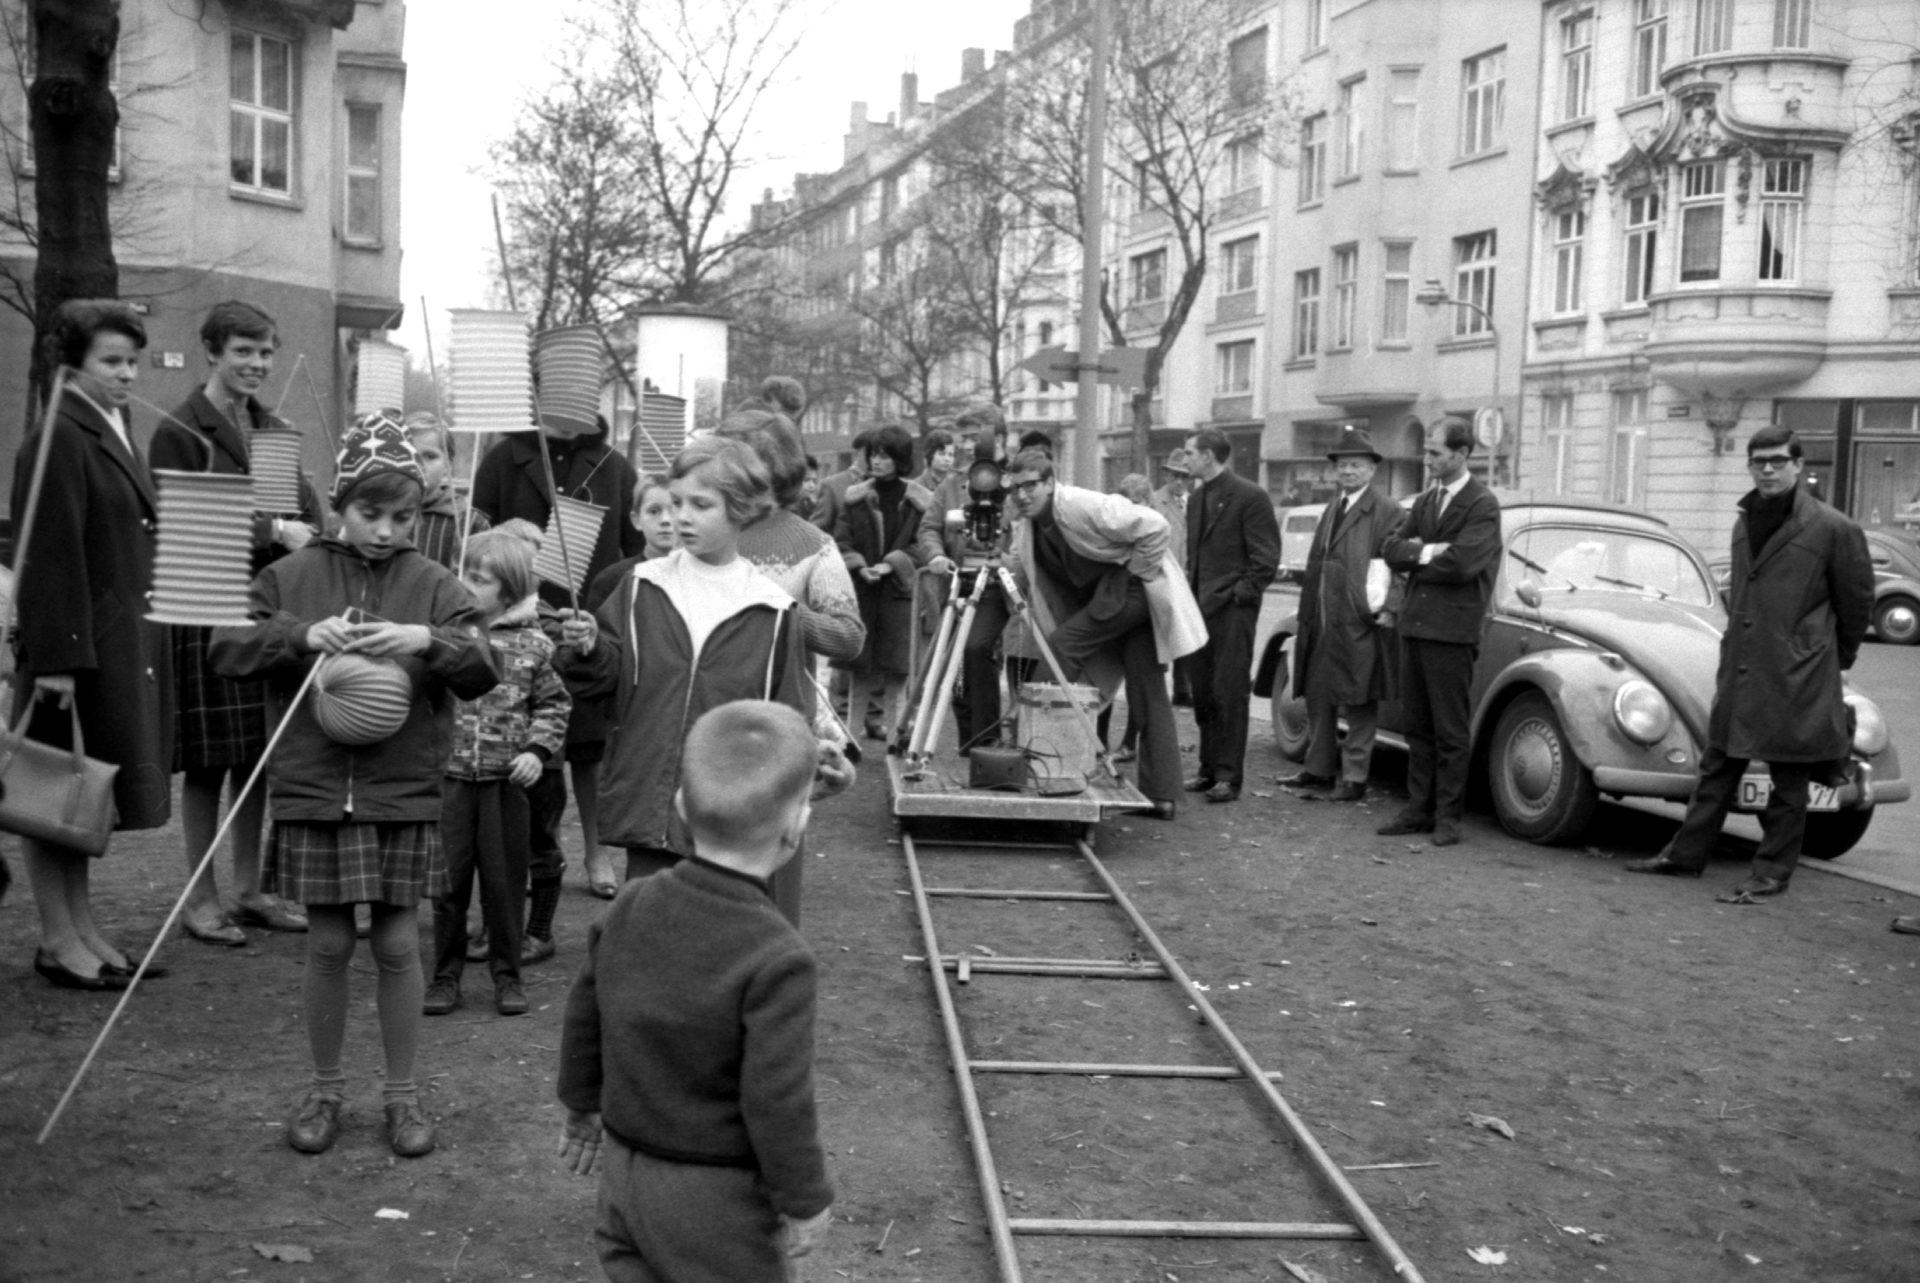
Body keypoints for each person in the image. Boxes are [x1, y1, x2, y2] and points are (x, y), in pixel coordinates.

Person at [210, 413, 498, 1157]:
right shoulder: (290, 575)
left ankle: (402, 1098)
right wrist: (300, 635)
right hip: (313, 784)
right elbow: (225, 645)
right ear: (339, 503)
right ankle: (326, 1089)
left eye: (403, 516)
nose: (385, 530)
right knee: (330, 943)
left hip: (399, 786)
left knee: (399, 942)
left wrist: (427, 641)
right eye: (370, 513)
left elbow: (483, 665)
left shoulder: (434, 581)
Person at [556, 700, 832, 1283]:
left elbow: (587, 1011)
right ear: (798, 826)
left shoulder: (631, 904)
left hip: (624, 1175)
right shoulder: (777, 957)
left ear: (680, 806)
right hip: (716, 1199)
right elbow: (776, 1097)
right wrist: (804, 1197)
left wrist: (581, 1104)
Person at [1626, 426, 1874, 902]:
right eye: (1758, 461)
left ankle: (1771, 873)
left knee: (1789, 777)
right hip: (1742, 664)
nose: (1767, 470)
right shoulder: (1745, 520)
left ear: (1799, 466)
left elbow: (1857, 604)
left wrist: (1832, 661)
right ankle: (1684, 856)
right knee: (1718, 763)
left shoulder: (1833, 528)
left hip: (1796, 671)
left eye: (1778, 461)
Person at [555, 437, 811, 893]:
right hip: (649, 789)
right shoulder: (641, 585)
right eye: (675, 502)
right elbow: (608, 676)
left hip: (730, 806)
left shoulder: (771, 609)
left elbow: (789, 718)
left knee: (717, 935)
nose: (681, 516)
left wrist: (778, 800)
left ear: (742, 509)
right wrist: (591, 647)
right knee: (644, 922)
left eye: (701, 504)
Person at [10, 299, 175, 990]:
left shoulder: (110, 424)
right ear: (71, 362)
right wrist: (57, 662)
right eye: (112, 360)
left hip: (109, 639)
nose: (128, 373)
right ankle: (56, 938)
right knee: (52, 793)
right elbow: (49, 554)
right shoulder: (58, 433)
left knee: (84, 790)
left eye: (133, 360)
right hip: (72, 651)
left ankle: (81, 928)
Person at [149, 299, 319, 948]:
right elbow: (180, 516)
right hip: (202, 604)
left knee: (256, 756)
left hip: (263, 605)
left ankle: (249, 890)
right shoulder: (178, 427)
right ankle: (200, 897)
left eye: (266, 351)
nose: (257, 363)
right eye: (244, 351)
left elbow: (299, 505)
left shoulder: (273, 427)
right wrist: (277, 528)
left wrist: (309, 523)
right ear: (212, 354)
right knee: (208, 763)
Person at [473, 412, 641, 925]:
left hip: (582, 620)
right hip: (513, 618)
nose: (567, 412)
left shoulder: (613, 464)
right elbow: (479, 532)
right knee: (522, 747)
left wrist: (603, 613)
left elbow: (633, 550)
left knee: (587, 748)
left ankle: (595, 849)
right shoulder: (505, 458)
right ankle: (521, 858)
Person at [1005, 448, 1207, 819]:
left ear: (1051, 483)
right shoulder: (1032, 522)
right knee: (1147, 690)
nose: (1022, 494)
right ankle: (1162, 796)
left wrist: (1133, 577)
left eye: (1031, 485)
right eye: (1016, 487)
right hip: (1124, 603)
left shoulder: (1082, 504)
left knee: (1061, 649)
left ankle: (1025, 758)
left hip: (1128, 593)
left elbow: (1156, 526)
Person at [425, 530, 570, 1016]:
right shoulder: (444, 635)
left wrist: (536, 750)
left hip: (505, 784)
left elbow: (554, 705)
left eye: (479, 578)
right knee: (447, 885)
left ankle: (508, 977)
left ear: (508, 590)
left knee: (505, 885)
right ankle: (445, 977)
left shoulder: (534, 645)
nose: (465, 585)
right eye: (462, 573)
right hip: (450, 780)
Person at [1376, 416, 1502, 847]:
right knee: (1417, 727)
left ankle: (1448, 818)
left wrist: (1417, 558)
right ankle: (1418, 809)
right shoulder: (1427, 502)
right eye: (1427, 451)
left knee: (1450, 731)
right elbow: (1390, 548)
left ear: (1461, 455)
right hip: (1415, 627)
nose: (1426, 458)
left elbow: (1465, 564)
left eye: (1435, 453)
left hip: (1452, 632)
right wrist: (1430, 551)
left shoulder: (1482, 505)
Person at [1281, 427, 1405, 802]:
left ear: (1372, 470)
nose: (1348, 471)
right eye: (1342, 465)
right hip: (1322, 619)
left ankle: (1354, 778)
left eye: (1355, 465)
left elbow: (1398, 565)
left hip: (1359, 620)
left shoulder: (1387, 511)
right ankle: (1318, 770)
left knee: (1359, 699)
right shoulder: (1334, 507)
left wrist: (1391, 608)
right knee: (1319, 694)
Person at [1181, 429, 1280, 804]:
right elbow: (1195, 558)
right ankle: (1208, 769)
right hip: (1198, 611)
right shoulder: (1197, 498)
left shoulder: (1250, 496)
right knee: (1203, 691)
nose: (1185, 459)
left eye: (1189, 453)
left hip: (1232, 613)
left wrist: (1238, 597)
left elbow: (1265, 559)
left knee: (1230, 691)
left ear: (1207, 456)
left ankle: (1228, 776)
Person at [916, 430, 1017, 749]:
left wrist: (1009, 559)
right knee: (954, 661)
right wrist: (935, 555)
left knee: (976, 649)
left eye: (990, 443)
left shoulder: (1015, 487)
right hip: (957, 580)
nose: (981, 448)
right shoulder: (950, 484)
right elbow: (930, 528)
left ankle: (986, 740)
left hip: (997, 583)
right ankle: (970, 739)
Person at [833, 425, 926, 742]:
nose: (876, 461)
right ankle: (850, 742)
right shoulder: (856, 499)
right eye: (873, 454)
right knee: (859, 676)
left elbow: (922, 546)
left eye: (884, 455)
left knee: (896, 679)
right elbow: (841, 541)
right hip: (864, 594)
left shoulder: (919, 502)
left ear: (899, 459)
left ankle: (895, 744)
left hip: (898, 596)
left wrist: (891, 565)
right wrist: (860, 566)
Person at [405, 411, 489, 571]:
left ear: (448, 465)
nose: (418, 464)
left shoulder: (470, 523)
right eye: (409, 455)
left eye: (430, 456)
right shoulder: (382, 515)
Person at [1152, 449, 1197, 706]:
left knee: (1185, 631)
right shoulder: (1156, 502)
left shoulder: (1197, 502)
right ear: (1167, 474)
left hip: (1188, 578)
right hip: (1163, 576)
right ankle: (1158, 690)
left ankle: (1183, 688)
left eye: (1185, 477)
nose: (1179, 482)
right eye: (1175, 476)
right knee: (1160, 634)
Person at [809, 429, 872, 535]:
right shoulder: (832, 485)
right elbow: (816, 529)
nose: (875, 460)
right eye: (870, 454)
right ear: (857, 454)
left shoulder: (887, 484)